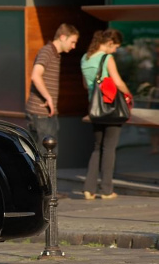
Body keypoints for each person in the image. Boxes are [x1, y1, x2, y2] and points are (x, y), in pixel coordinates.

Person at [80, 29, 133, 200]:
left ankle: (89, 188)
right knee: (109, 148)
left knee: (97, 148)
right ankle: (106, 189)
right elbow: (118, 82)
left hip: (94, 109)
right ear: (109, 43)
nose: (116, 50)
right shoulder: (106, 58)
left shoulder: (85, 58)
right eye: (116, 46)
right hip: (110, 109)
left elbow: (85, 85)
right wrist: (130, 95)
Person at [25, 23, 79, 155]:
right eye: (72, 42)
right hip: (41, 113)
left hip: (42, 113)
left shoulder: (54, 54)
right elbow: (36, 75)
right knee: (48, 155)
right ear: (62, 37)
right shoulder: (47, 51)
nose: (74, 46)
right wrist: (48, 97)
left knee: (40, 155)